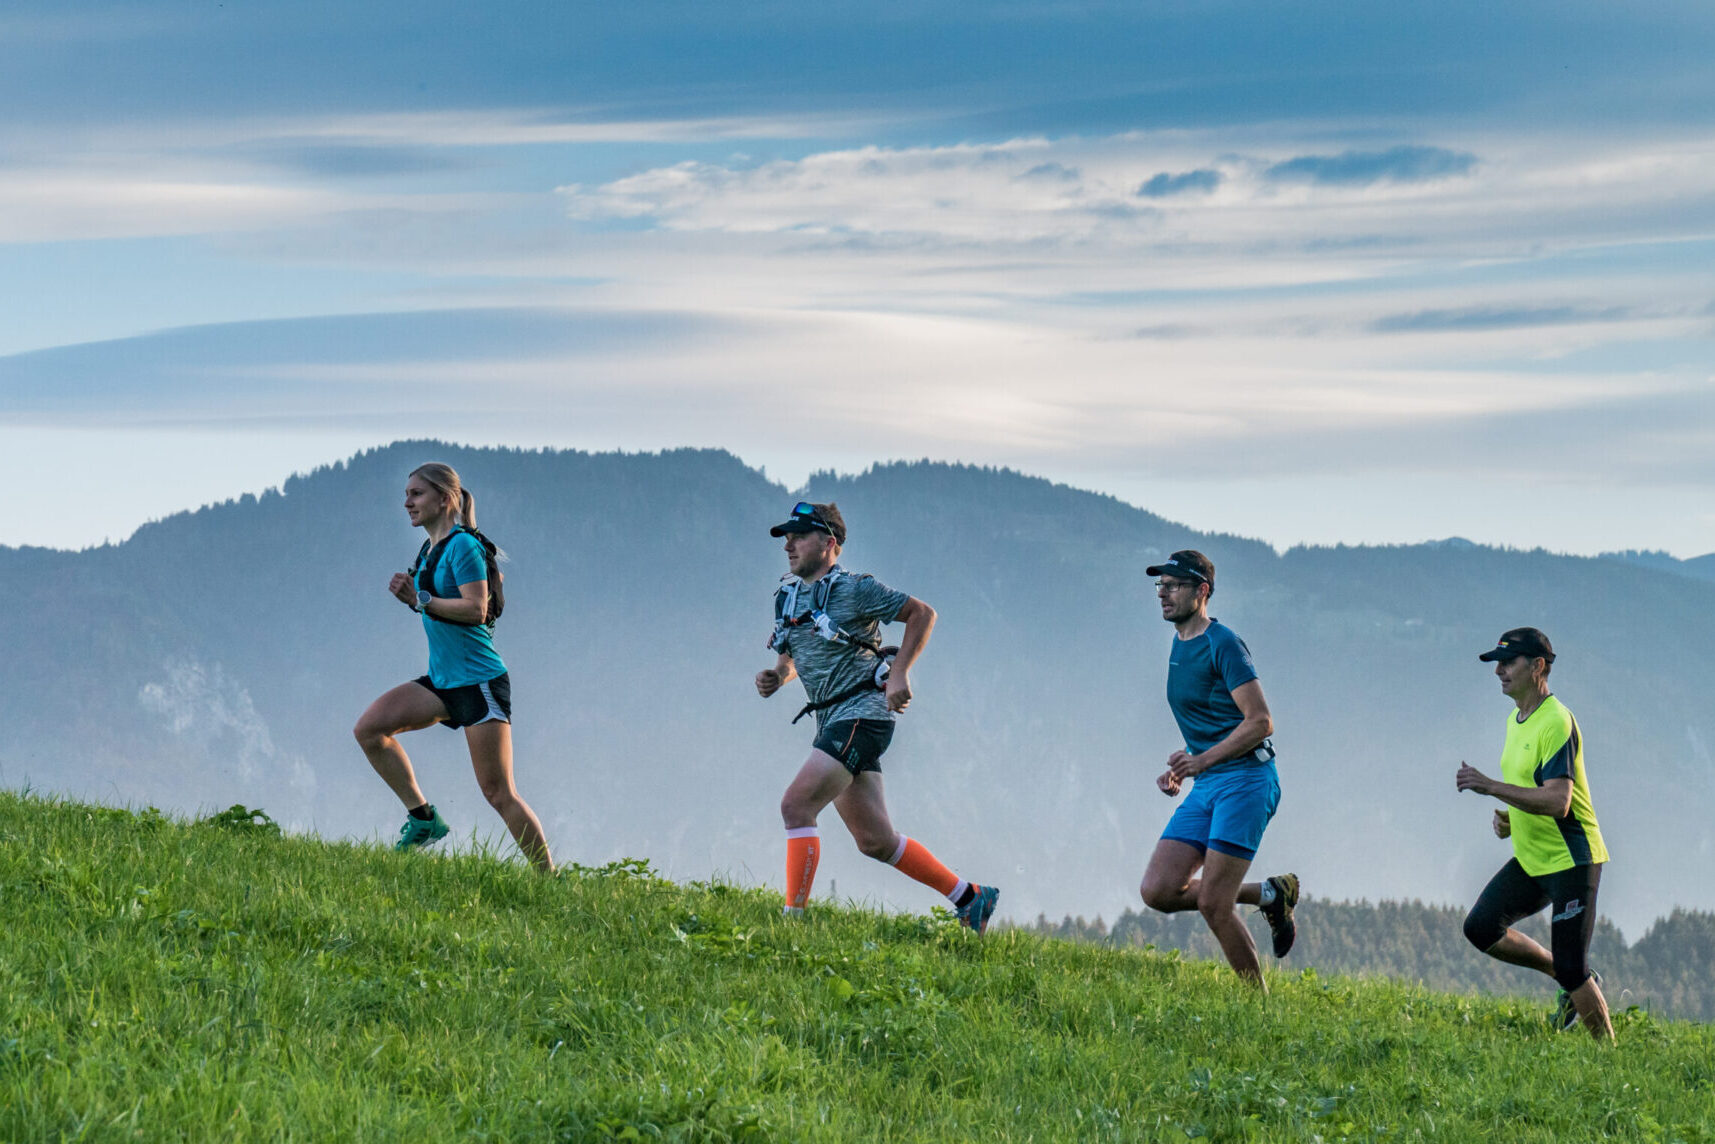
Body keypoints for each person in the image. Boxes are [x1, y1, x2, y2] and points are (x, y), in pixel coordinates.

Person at [754, 501, 999, 932]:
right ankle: (970, 897)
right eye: (786, 538)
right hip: (832, 721)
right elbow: (792, 655)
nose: (788, 545)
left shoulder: (855, 589)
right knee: (875, 841)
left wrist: (900, 673)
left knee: (796, 805)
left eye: (799, 536)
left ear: (829, 543)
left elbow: (922, 614)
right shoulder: (786, 596)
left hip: (862, 717)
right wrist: (778, 675)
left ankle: (792, 924)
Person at [353, 462, 553, 872]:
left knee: (499, 793)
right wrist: (417, 599)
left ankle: (550, 879)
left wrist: (419, 599)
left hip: (479, 682)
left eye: (416, 494)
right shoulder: (429, 550)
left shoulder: (463, 546)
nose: (407, 503)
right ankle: (424, 819)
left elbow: (476, 609)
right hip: (443, 681)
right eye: (406, 494)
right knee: (370, 730)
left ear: (444, 499)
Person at [1138, 550, 1299, 989]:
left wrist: (1201, 761)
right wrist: (1184, 763)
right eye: (1160, 585)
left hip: (1247, 782)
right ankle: (1270, 895)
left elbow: (1260, 721)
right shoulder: (1179, 643)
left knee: (1214, 903)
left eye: (1174, 585)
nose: (1163, 593)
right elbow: (1216, 720)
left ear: (1202, 591)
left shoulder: (1223, 643)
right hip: (1209, 782)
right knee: (1158, 890)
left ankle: (1256, 1008)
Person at [1456, 627, 1612, 1040]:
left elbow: (1559, 800)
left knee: (1574, 968)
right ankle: (1563, 976)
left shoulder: (1556, 722)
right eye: (1497, 664)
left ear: (1538, 666)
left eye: (1508, 663)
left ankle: (1612, 1060)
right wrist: (1512, 819)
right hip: (1532, 859)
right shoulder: (1516, 720)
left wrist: (1490, 786)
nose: (1499, 671)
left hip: (1572, 861)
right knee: (1480, 928)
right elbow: (1532, 785)